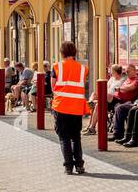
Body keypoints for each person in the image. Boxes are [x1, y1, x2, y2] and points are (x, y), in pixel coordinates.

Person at [52, 40, 90, 175]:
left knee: (64, 137)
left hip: (61, 106)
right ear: (74, 52)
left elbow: (53, 86)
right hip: (76, 107)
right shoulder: (83, 68)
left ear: (62, 52)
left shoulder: (57, 67)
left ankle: (68, 166)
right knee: (76, 137)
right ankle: (79, 165)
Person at [85, 64, 127, 135]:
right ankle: (91, 103)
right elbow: (106, 87)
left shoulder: (122, 81)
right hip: (106, 98)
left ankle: (91, 127)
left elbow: (118, 92)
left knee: (99, 102)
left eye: (112, 71)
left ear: (115, 72)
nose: (110, 72)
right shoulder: (112, 79)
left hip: (114, 100)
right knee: (95, 96)